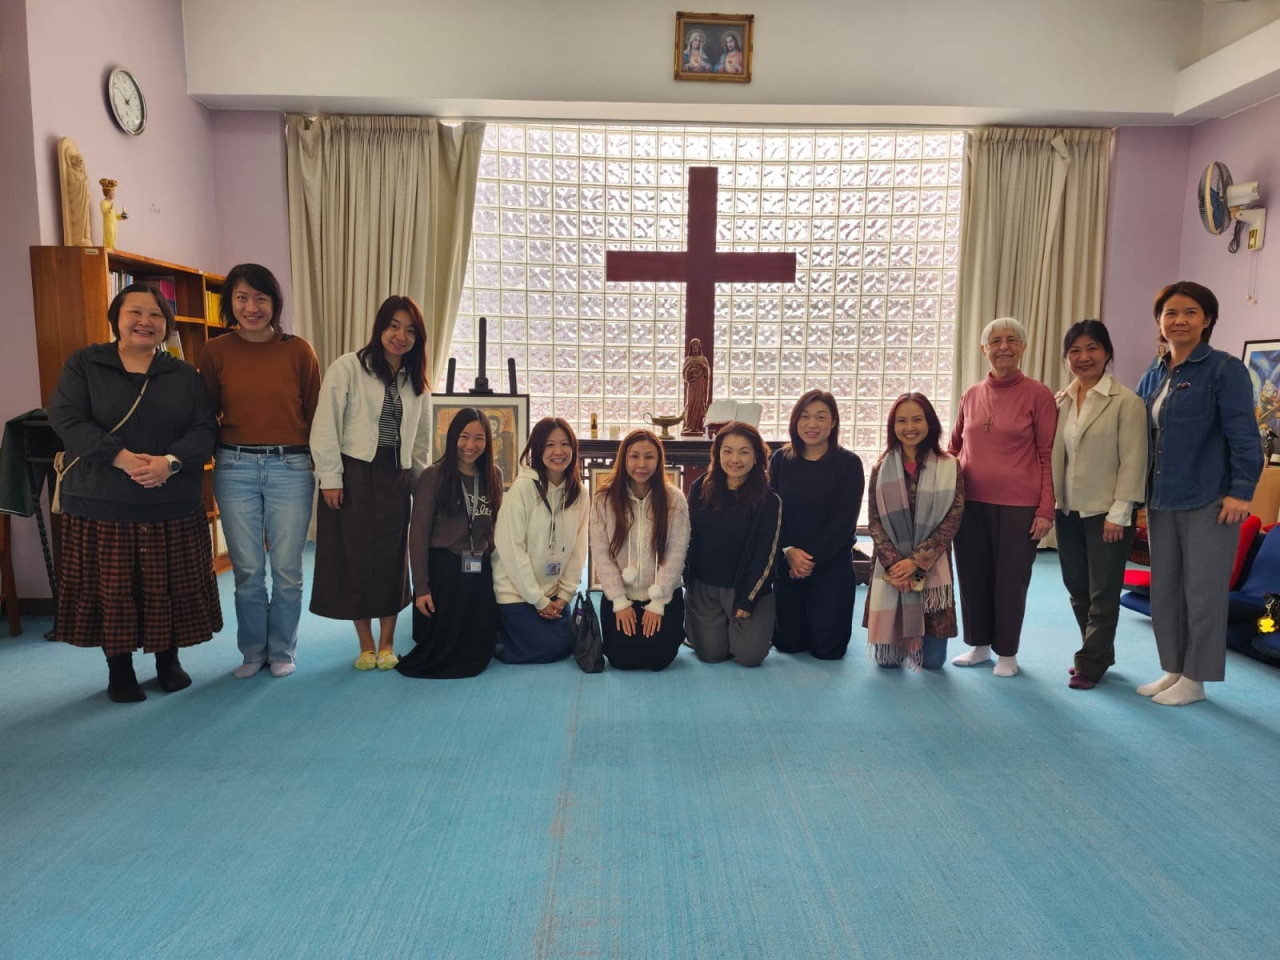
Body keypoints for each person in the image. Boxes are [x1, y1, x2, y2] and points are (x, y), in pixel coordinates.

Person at [47, 284, 220, 702]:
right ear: (116, 319)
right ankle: (119, 670)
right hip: (102, 500)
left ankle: (168, 661)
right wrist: (122, 458)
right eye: (135, 312)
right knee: (113, 589)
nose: (145, 321)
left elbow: (205, 428)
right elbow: (66, 418)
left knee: (169, 585)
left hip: (170, 499)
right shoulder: (85, 364)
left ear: (166, 324)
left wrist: (169, 463)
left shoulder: (184, 374)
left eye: (156, 314)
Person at [1135, 282, 1261, 706]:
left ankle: (1196, 679)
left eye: (1190, 312)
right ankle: (1174, 668)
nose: (1179, 320)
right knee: (1165, 590)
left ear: (1207, 320)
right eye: (1170, 313)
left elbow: (1245, 435)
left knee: (1203, 592)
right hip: (1161, 498)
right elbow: (1136, 431)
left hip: (1210, 498)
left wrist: (1241, 491)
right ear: (1159, 321)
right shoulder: (1154, 374)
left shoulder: (1225, 370)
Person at [202, 264, 321, 679]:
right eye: (242, 298)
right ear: (230, 303)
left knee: (287, 569)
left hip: (291, 465)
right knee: (248, 570)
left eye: (260, 298)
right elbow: (206, 412)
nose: (251, 307)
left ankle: (283, 649)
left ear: (274, 302)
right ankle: (253, 651)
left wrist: (326, 469)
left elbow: (316, 414)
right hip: (234, 466)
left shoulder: (299, 351)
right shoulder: (215, 351)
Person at [309, 296, 432, 671]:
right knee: (355, 559)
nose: (400, 336)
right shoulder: (349, 367)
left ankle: (387, 642)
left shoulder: (417, 381)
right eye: (394, 326)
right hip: (354, 475)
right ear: (380, 327)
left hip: (396, 477)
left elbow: (420, 442)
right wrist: (330, 477)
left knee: (392, 560)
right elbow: (325, 425)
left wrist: (422, 489)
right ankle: (365, 644)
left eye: (410, 330)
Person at [948, 318, 1057, 677]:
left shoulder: (1039, 394)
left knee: (1011, 581)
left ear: (1024, 347)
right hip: (970, 503)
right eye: (995, 341)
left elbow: (1047, 454)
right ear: (984, 350)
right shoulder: (971, 394)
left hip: (1019, 506)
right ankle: (979, 645)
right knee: (973, 576)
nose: (1003, 346)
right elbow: (954, 448)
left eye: (1012, 340)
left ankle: (1007, 651)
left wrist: (1046, 508)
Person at [1051, 320, 1148, 690]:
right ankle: (1100, 652)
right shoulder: (1061, 401)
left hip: (1107, 513)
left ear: (1107, 352)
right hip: (1067, 509)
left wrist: (1120, 513)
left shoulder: (1126, 402)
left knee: (1103, 592)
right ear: (1066, 357)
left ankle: (1090, 663)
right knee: (1076, 586)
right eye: (1075, 350)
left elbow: (1134, 461)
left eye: (1092, 347)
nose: (1083, 356)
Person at [397, 408, 504, 679]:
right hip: (444, 568)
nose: (471, 445)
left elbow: (495, 529)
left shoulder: (494, 475)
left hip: (479, 567)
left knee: (480, 644)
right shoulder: (433, 475)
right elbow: (418, 534)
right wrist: (421, 588)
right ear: (453, 436)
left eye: (479, 438)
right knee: (442, 646)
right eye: (464, 436)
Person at [863, 393, 964, 670]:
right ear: (892, 426)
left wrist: (915, 564)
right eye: (902, 421)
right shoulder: (881, 468)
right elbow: (874, 521)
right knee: (887, 662)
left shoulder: (949, 466)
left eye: (917, 419)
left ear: (930, 423)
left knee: (932, 662)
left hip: (929, 569)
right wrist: (896, 565)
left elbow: (952, 519)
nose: (910, 427)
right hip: (892, 568)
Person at [769, 390, 864, 660]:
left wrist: (810, 560)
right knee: (788, 644)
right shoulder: (780, 460)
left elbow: (845, 520)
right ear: (795, 421)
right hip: (789, 563)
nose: (812, 424)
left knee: (828, 651)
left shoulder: (849, 463)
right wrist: (789, 551)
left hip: (830, 564)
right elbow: (772, 511)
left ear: (833, 422)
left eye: (820, 417)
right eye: (805, 416)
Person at [589, 429, 690, 670]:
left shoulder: (674, 499)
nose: (641, 464)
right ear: (624, 458)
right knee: (621, 659)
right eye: (634, 456)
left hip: (661, 595)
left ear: (659, 460)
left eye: (649, 457)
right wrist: (619, 602)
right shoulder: (604, 499)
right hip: (622, 595)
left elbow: (676, 553)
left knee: (659, 659)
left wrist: (658, 604)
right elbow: (601, 554)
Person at [491, 417, 590, 663]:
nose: (558, 452)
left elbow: (579, 550)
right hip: (516, 592)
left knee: (565, 645)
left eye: (565, 444)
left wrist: (565, 596)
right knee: (545, 648)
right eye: (549, 445)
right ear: (537, 449)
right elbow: (511, 550)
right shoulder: (522, 489)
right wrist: (538, 600)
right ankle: (496, 635)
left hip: (554, 594)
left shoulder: (580, 493)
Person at [684, 422, 781, 667]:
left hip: (745, 589)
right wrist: (687, 583)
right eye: (727, 451)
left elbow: (767, 555)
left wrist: (749, 599)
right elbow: (687, 539)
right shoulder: (700, 488)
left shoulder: (769, 500)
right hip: (705, 587)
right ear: (717, 454)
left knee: (749, 657)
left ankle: (749, 627)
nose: (735, 459)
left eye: (744, 452)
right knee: (711, 655)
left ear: (756, 456)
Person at [681, 338, 711, 436]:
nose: (695, 347)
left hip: (700, 385)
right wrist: (690, 369)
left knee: (698, 405)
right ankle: (689, 426)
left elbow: (707, 374)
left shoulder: (703, 359)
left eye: (696, 345)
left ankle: (697, 427)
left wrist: (703, 366)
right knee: (690, 404)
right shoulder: (688, 359)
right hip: (691, 385)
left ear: (699, 347)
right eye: (693, 345)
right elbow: (684, 375)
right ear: (691, 347)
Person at [98, 178, 128, 250]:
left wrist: (121, 216)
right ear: (107, 193)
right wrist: (110, 209)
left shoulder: (112, 204)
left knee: (114, 236)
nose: (113, 195)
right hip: (108, 224)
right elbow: (103, 210)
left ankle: (112, 248)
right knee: (109, 235)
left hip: (114, 224)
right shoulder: (103, 202)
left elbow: (115, 215)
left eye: (113, 193)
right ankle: (108, 249)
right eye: (112, 193)